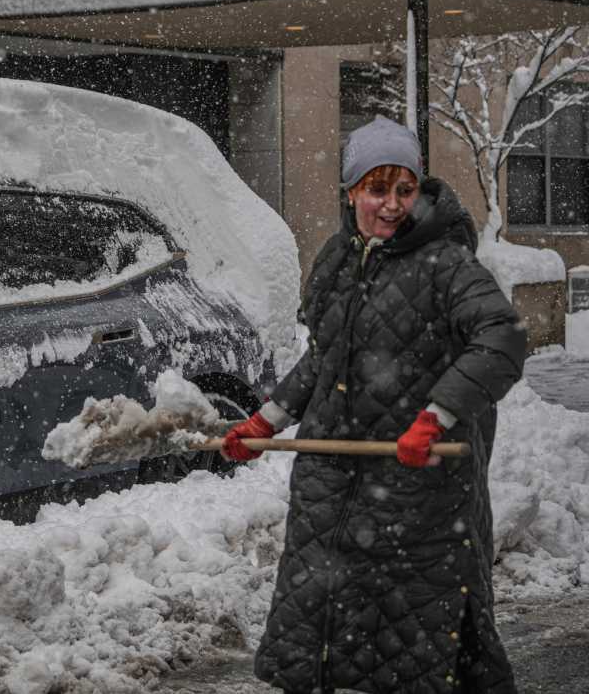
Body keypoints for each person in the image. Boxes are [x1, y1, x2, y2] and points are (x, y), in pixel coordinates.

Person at [222, 116, 526, 694]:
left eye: (404, 189)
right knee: (323, 628)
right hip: (332, 484)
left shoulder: (448, 264)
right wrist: (267, 419)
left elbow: (503, 340)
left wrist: (436, 415)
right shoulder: (337, 259)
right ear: (351, 192)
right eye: (376, 189)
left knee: (409, 644)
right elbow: (324, 357)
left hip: (416, 494)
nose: (391, 205)